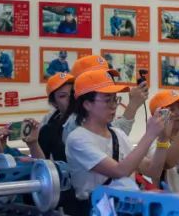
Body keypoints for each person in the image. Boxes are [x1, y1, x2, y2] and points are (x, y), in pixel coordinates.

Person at [65, 69, 165, 206]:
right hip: (96, 213)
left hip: (125, 209)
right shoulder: (78, 139)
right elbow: (120, 171)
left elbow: (153, 171)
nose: (113, 106)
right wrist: (150, 134)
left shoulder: (118, 134)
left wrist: (163, 139)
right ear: (87, 104)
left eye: (115, 99)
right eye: (107, 100)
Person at [62, 55, 146, 142]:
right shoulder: (76, 126)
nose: (107, 79)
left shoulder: (93, 119)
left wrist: (133, 105)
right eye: (98, 77)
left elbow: (115, 133)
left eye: (108, 75)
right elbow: (114, 140)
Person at [38, 73, 74, 163]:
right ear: (54, 103)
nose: (70, 98)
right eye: (63, 96)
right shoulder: (48, 127)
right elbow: (42, 163)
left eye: (73, 93)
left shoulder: (93, 117)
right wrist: (32, 144)